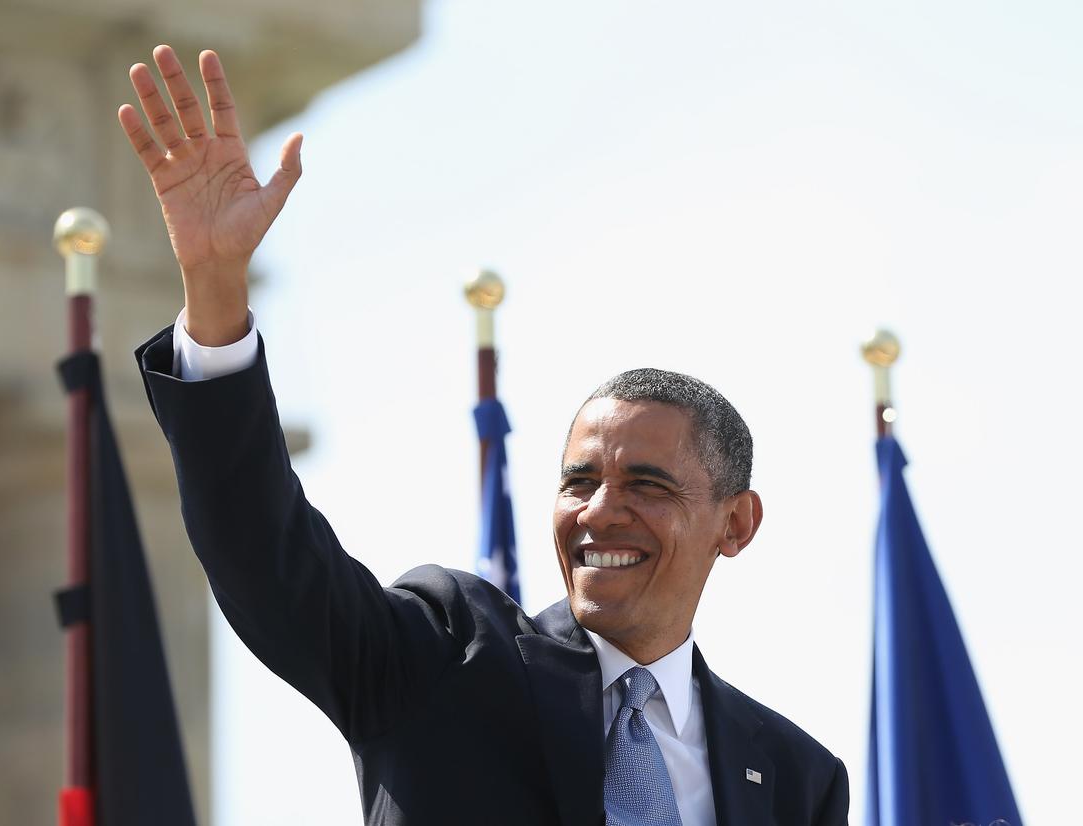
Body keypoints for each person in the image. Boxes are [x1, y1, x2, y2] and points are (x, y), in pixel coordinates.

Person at [120, 45, 850, 826]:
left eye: (647, 484)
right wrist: (216, 286)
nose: (600, 511)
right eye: (579, 481)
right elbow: (264, 556)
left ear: (735, 524)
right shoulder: (442, 660)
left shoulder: (793, 775)